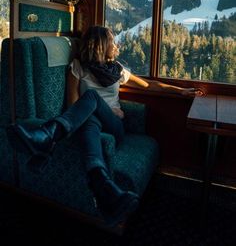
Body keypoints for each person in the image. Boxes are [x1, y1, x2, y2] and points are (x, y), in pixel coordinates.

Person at [7, 25, 204, 227]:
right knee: (89, 119)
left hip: (114, 128)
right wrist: (106, 110)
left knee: (91, 98)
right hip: (89, 124)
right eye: (112, 40)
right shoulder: (78, 67)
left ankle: (47, 135)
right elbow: (73, 107)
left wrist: (180, 91)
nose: (116, 44)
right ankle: (102, 184)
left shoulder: (117, 69)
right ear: (101, 45)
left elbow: (150, 85)